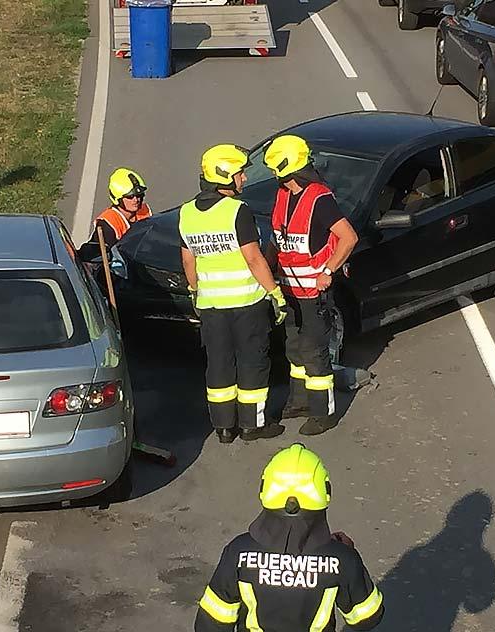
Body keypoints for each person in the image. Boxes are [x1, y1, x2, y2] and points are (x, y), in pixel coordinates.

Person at [195, 443, 384, 631]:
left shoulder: (238, 552)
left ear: (264, 489)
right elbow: (367, 618)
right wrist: (350, 558)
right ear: (325, 492)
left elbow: (209, 625)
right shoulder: (341, 559)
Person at [179, 144, 289, 444]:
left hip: (211, 306)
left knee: (219, 365)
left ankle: (224, 428)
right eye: (239, 173)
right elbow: (254, 258)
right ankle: (253, 425)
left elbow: (189, 259)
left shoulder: (186, 213)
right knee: (252, 362)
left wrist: (194, 291)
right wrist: (275, 293)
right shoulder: (236, 211)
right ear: (224, 176)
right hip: (245, 304)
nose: (243, 179)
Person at [262, 135, 358, 436]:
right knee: (294, 349)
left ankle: (324, 413)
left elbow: (349, 237)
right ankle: (299, 401)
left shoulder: (319, 199)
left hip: (315, 292)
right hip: (290, 289)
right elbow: (279, 239)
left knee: (314, 352)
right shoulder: (282, 194)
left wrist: (328, 270)